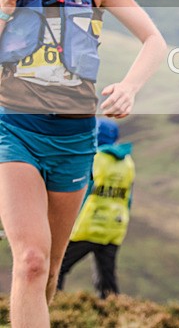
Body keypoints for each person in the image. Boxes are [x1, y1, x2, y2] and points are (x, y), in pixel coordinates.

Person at [0, 0, 166, 327]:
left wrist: (130, 86)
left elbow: (154, 40)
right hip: (13, 131)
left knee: (51, 268)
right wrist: (2, 10)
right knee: (30, 261)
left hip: (73, 139)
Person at [57, 118, 134, 299]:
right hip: (113, 228)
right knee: (107, 279)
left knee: (57, 267)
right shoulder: (128, 163)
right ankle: (113, 316)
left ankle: (54, 310)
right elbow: (128, 199)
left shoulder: (93, 158)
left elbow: (79, 194)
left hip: (86, 227)